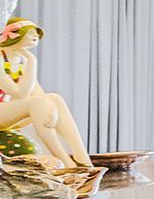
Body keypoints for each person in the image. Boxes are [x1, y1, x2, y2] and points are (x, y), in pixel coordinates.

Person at [0, 18, 92, 169]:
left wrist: (51, 112)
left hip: (8, 113)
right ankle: (66, 162)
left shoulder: (20, 60)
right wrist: (32, 61)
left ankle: (82, 158)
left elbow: (40, 96)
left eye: (36, 32)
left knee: (53, 98)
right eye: (30, 32)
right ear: (13, 35)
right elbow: (21, 94)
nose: (35, 35)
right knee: (38, 103)